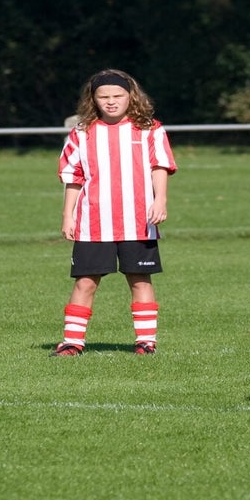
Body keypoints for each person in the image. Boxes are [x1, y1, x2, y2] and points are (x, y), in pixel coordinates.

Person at [52, 69, 177, 357]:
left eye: (117, 95)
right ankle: (72, 342)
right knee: (85, 282)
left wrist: (160, 200)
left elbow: (159, 166)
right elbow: (73, 176)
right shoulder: (81, 133)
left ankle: (146, 341)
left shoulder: (150, 129)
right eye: (104, 96)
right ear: (93, 99)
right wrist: (68, 215)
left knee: (139, 279)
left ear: (130, 96)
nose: (111, 101)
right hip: (93, 221)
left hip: (139, 220)